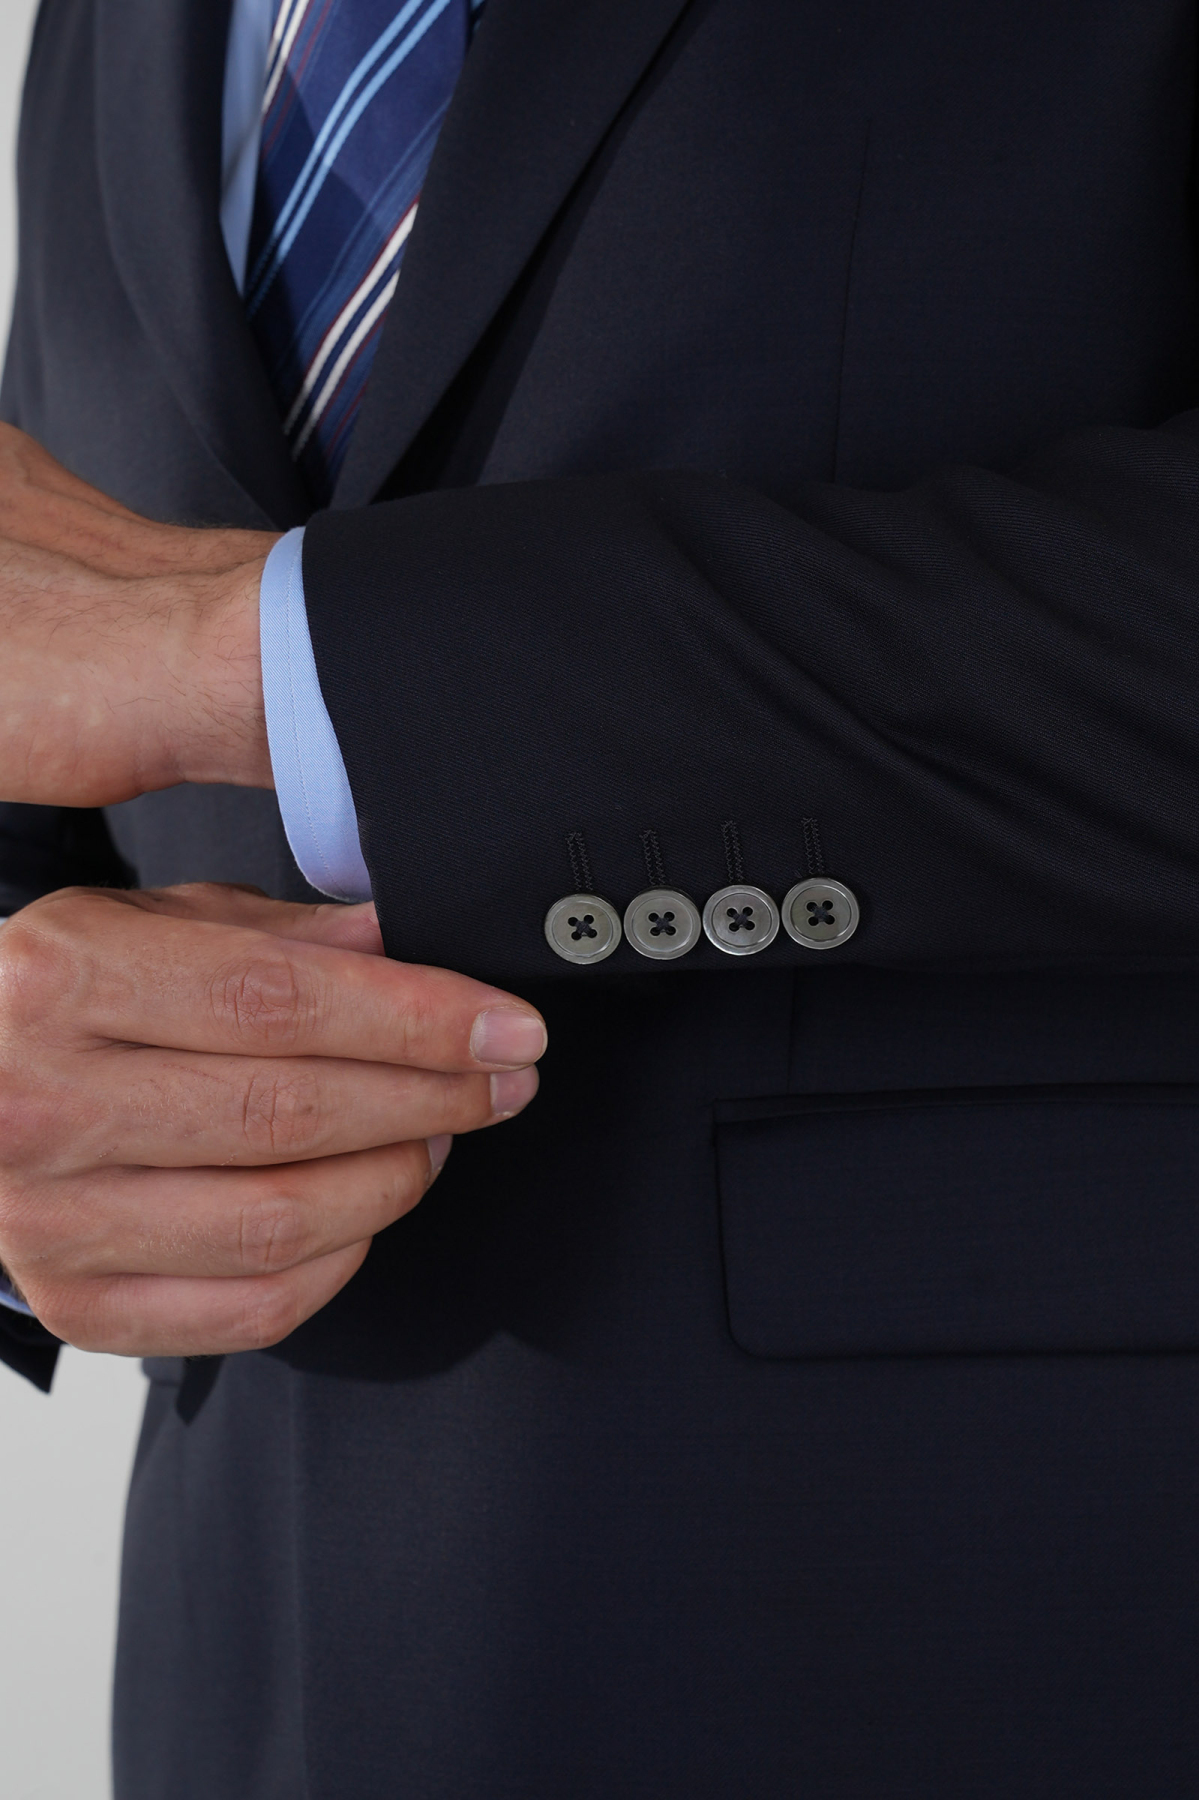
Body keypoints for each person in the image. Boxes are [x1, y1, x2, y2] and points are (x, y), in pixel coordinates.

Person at [3, 0, 1199, 1792]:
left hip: (989, 1622)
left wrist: (250, 657)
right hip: (250, 1665)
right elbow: (49, 642)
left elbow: (146, 639)